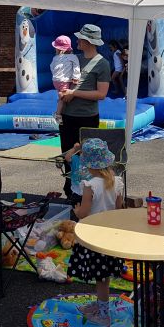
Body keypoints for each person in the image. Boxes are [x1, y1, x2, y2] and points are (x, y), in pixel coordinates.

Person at [68, 138, 125, 327]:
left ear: (89, 165)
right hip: (110, 236)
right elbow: (119, 209)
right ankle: (101, 303)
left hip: (93, 237)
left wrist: (76, 211)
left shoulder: (90, 185)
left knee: (100, 277)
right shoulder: (117, 181)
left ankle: (103, 314)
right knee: (104, 276)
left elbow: (84, 213)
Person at [59, 24, 111, 199]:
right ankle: (70, 192)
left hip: (87, 118)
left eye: (80, 38)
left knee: (87, 156)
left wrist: (74, 93)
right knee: (67, 155)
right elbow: (63, 81)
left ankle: (88, 194)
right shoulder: (74, 58)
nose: (77, 41)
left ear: (88, 41)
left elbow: (101, 94)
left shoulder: (102, 63)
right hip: (67, 115)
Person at [50, 35, 81, 124]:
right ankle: (58, 114)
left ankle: (61, 98)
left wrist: (55, 75)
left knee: (62, 95)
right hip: (64, 81)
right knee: (63, 98)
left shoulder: (55, 58)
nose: (56, 50)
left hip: (56, 81)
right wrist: (76, 77)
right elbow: (76, 67)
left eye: (56, 48)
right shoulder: (73, 57)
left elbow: (51, 67)